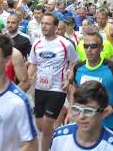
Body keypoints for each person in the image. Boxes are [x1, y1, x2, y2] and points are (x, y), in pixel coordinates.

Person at [28, 12, 78, 151]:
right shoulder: (37, 43)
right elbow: (33, 64)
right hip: (40, 88)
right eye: (42, 23)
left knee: (47, 123)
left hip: (57, 88)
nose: (44, 26)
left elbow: (74, 62)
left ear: (56, 27)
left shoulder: (65, 44)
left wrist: (69, 80)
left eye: (48, 24)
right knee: (40, 126)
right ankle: (56, 140)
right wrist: (27, 80)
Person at [70, 30, 113, 134]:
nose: (89, 49)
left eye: (93, 46)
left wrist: (112, 108)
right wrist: (72, 108)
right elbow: (74, 87)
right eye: (86, 46)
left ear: (101, 48)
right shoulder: (78, 68)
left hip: (108, 125)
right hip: (83, 124)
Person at [50, 80, 113, 151]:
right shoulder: (59, 136)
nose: (81, 117)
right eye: (76, 109)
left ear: (103, 113)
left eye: (88, 111)